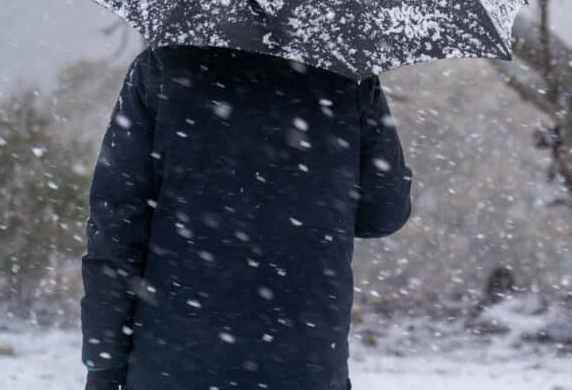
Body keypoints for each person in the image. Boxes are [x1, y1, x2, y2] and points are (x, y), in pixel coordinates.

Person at [81, 46, 413, 390]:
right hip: (305, 359)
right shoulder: (347, 75)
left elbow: (116, 224)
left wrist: (104, 362)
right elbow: (385, 213)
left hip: (173, 359)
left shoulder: (160, 66)